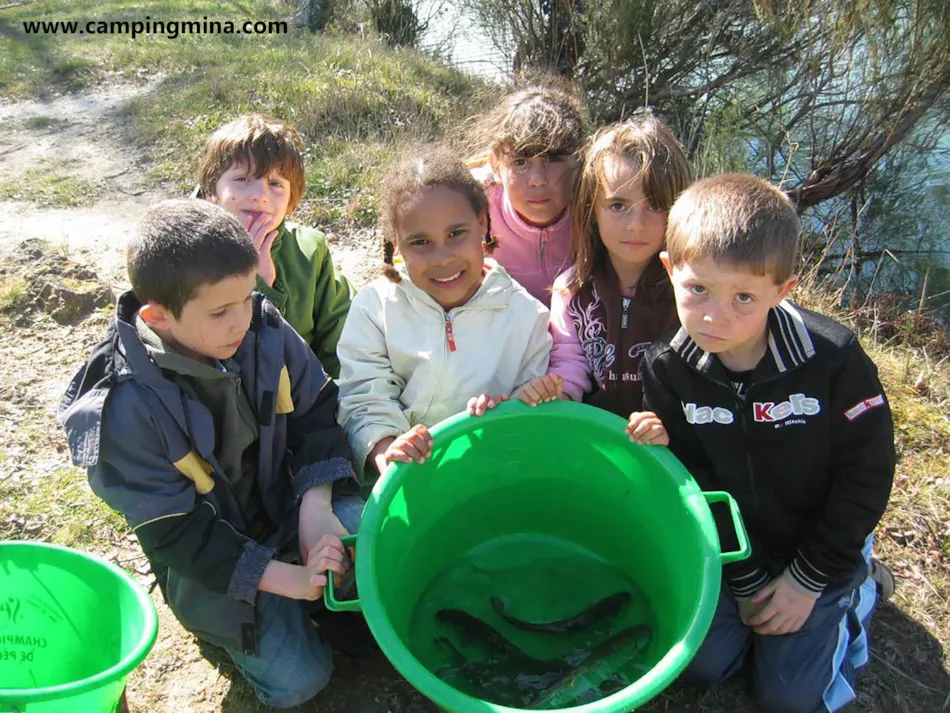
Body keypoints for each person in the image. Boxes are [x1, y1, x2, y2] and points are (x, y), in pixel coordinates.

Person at [59, 200, 367, 709]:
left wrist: (316, 509)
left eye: (248, 298)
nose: (241, 320)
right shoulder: (123, 409)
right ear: (158, 315)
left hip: (288, 510)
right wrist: (284, 578)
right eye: (221, 311)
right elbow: (178, 534)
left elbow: (316, 410)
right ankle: (243, 629)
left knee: (374, 533)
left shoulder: (259, 327)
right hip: (215, 563)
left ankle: (313, 591)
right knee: (299, 682)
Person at [640, 174, 895, 713]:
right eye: (698, 289)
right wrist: (746, 575)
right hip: (740, 546)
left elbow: (866, 475)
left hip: (817, 543)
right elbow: (698, 485)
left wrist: (807, 580)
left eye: (744, 298)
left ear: (782, 291)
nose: (714, 316)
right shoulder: (667, 369)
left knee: (788, 700)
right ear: (670, 270)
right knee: (705, 667)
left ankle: (861, 585)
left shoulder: (833, 360)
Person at [337, 147, 555, 480]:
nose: (442, 258)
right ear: (396, 243)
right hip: (398, 483)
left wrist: (507, 412)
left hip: (489, 479)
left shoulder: (526, 318)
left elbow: (527, 421)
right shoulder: (375, 307)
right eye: (420, 242)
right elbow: (364, 397)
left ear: (482, 224)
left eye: (456, 234)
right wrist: (388, 449)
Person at [537, 113, 691, 445]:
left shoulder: (688, 290)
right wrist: (560, 394)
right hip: (591, 440)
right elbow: (569, 360)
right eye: (618, 206)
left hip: (666, 448)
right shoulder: (571, 290)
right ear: (592, 208)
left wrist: (668, 423)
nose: (636, 224)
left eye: (656, 206)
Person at [197, 114, 353, 378]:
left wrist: (339, 403)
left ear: (292, 199)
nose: (260, 195)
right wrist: (257, 286)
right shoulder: (187, 252)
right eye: (243, 179)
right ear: (212, 190)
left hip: (304, 399)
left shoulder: (309, 251)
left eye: (275, 184)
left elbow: (343, 341)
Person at [465, 79, 585, 306]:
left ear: (578, 160)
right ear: (496, 164)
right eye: (520, 162)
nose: (538, 180)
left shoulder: (598, 208)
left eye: (553, 159)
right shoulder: (470, 205)